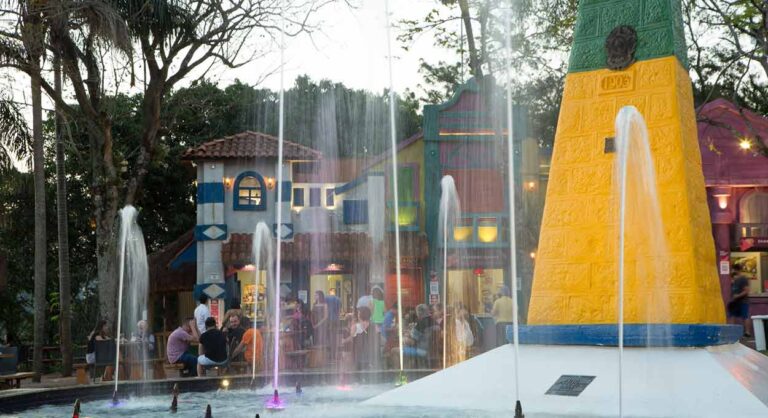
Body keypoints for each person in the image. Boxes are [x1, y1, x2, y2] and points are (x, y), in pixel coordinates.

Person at [728, 264, 752, 337]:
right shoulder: (734, 279)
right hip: (735, 302)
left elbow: (746, 291)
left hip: (743, 301)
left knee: (745, 316)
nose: (732, 271)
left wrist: (737, 296)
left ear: (736, 270)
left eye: (733, 269)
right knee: (731, 316)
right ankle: (732, 332)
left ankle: (747, 333)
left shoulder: (743, 279)